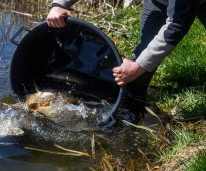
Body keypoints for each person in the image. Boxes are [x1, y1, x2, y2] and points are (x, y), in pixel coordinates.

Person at [47, 0, 206, 98]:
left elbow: (177, 25)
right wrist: (59, 5)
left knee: (139, 66)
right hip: (159, 2)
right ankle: (131, 105)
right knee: (142, 59)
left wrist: (139, 66)